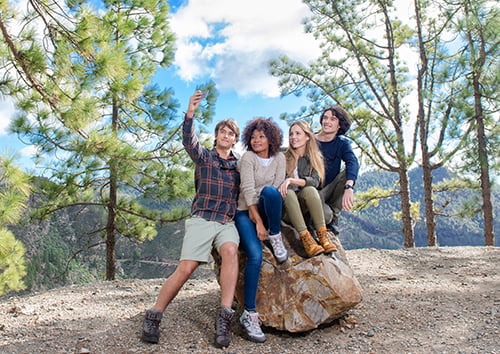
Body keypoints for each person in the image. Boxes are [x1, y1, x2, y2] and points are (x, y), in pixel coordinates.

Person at [141, 91, 241, 349]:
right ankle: (154, 315)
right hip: (203, 218)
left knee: (231, 251)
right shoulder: (205, 157)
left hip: (226, 222)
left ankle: (224, 318)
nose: (226, 136)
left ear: (235, 139)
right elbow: (189, 141)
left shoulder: (239, 166)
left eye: (231, 133)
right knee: (186, 268)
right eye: (223, 131)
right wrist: (190, 112)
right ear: (217, 135)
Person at [235, 117, 286, 343]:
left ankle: (276, 235)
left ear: (271, 139)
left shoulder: (280, 158)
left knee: (271, 191)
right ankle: (249, 313)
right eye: (253, 137)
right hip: (246, 212)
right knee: (255, 256)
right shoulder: (247, 158)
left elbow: (275, 188)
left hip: (268, 206)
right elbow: (246, 190)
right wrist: (257, 221)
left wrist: (267, 224)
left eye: (262, 136)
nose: (257, 140)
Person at [278, 121, 337, 257]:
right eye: (291, 134)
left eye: (298, 133)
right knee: (289, 193)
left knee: (310, 190)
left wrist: (292, 180)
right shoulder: (283, 155)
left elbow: (315, 181)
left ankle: (323, 237)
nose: (293, 137)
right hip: (286, 207)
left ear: (307, 137)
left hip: (304, 207)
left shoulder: (314, 157)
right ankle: (307, 240)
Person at [316, 105, 359, 235]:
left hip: (330, 189)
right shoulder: (310, 140)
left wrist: (349, 187)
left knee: (348, 174)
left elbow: (352, 162)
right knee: (325, 216)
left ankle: (334, 217)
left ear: (339, 124)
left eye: (333, 119)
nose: (327, 122)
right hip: (311, 190)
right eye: (325, 118)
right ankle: (326, 216)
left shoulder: (342, 143)